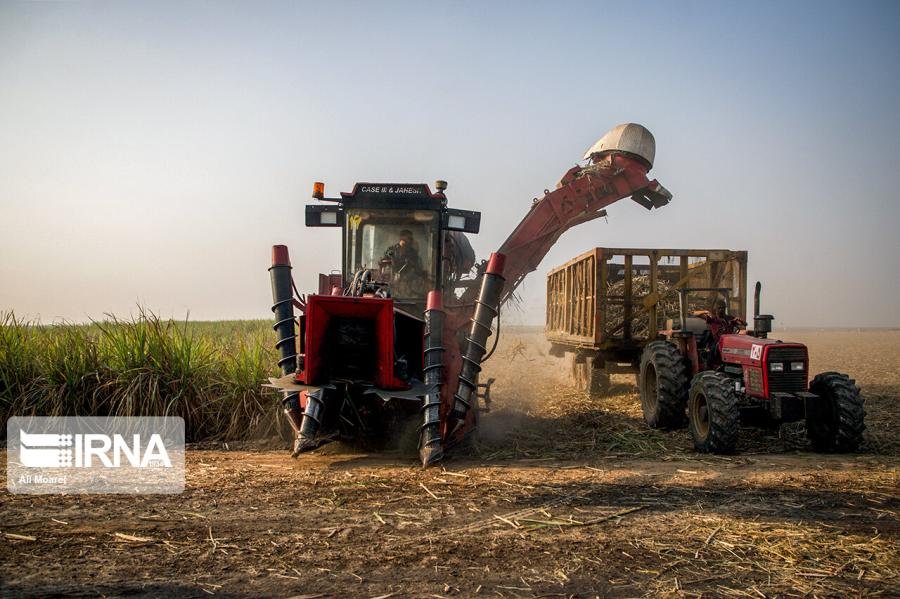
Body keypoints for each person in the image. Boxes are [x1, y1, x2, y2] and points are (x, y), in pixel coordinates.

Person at [382, 229, 424, 296]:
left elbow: (417, 269)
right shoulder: (391, 250)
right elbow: (384, 264)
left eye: (411, 239)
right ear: (401, 237)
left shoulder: (413, 253)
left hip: (407, 284)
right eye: (409, 238)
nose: (410, 240)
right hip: (391, 282)